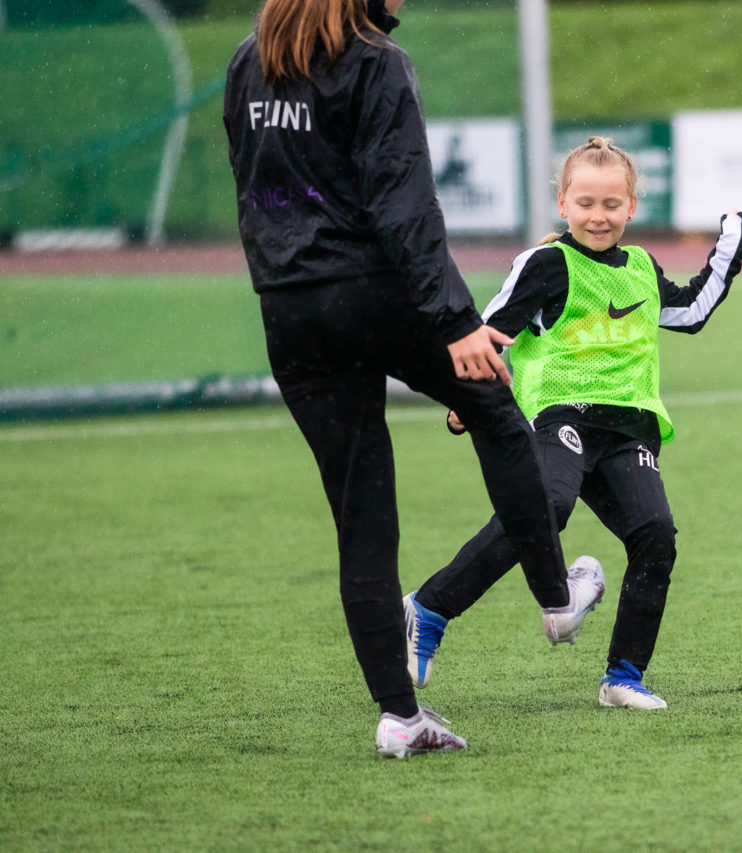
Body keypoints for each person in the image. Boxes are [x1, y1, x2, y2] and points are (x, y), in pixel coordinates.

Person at [223, 0, 602, 758]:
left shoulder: (247, 61)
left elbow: (253, 187)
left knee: (362, 518)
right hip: (376, 293)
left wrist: (288, 282)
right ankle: (557, 601)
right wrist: (457, 320)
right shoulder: (376, 63)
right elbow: (405, 208)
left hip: (289, 311)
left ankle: (400, 717)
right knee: (494, 409)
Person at [402, 137, 742, 710]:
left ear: (632, 207)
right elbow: (489, 329)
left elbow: (687, 312)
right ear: (563, 203)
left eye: (612, 205)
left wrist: (728, 248)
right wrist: (465, 398)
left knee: (655, 537)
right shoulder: (548, 263)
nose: (598, 216)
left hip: (628, 427)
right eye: (585, 203)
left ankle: (623, 677)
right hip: (560, 414)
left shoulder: (640, 266)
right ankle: (430, 608)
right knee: (548, 505)